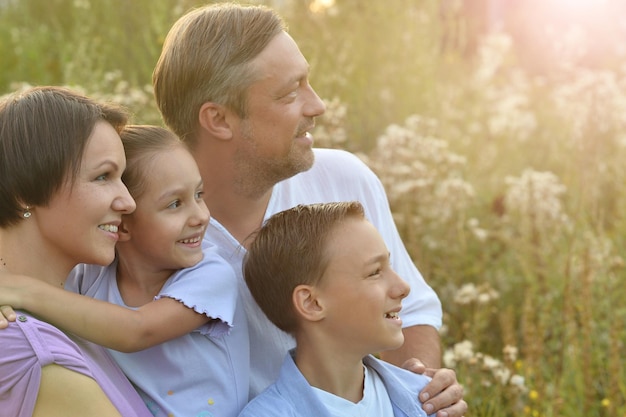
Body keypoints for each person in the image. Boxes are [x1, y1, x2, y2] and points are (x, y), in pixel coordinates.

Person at [152, 3, 466, 415]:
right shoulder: (144, 227)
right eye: (289, 93)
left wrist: (420, 392)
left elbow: (412, 312)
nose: (317, 106)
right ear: (219, 119)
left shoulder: (344, 179)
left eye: (308, 83)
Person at [0, 125, 250, 417]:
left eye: (199, 194)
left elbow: (137, 330)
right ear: (124, 224)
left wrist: (21, 290)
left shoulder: (210, 274)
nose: (201, 216)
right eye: (174, 204)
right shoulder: (91, 276)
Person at [0, 86, 152, 417]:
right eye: (102, 177)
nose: (128, 201)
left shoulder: (65, 310)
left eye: (122, 178)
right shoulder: (29, 352)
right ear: (26, 190)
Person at [240, 201, 434, 417]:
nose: (403, 287)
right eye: (375, 272)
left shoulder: (428, 399)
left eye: (389, 266)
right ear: (312, 303)